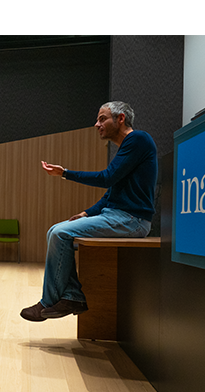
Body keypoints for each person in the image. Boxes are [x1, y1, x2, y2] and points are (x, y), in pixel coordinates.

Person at [20, 101, 157, 322]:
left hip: (133, 221)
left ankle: (49, 302)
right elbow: (111, 192)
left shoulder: (138, 139)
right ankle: (72, 295)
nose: (96, 124)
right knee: (54, 230)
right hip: (118, 216)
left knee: (59, 233)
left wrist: (65, 173)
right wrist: (87, 213)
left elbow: (106, 178)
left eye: (102, 119)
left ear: (120, 118)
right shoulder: (127, 147)